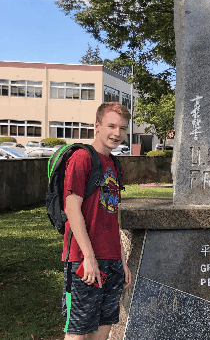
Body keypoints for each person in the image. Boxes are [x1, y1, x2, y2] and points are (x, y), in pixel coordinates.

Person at [62, 102, 132, 340]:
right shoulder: (81, 159)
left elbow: (112, 219)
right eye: (111, 126)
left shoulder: (115, 165)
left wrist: (121, 261)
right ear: (97, 126)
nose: (117, 133)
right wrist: (89, 258)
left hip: (112, 261)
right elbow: (72, 209)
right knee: (78, 333)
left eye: (122, 128)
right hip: (84, 260)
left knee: (102, 332)